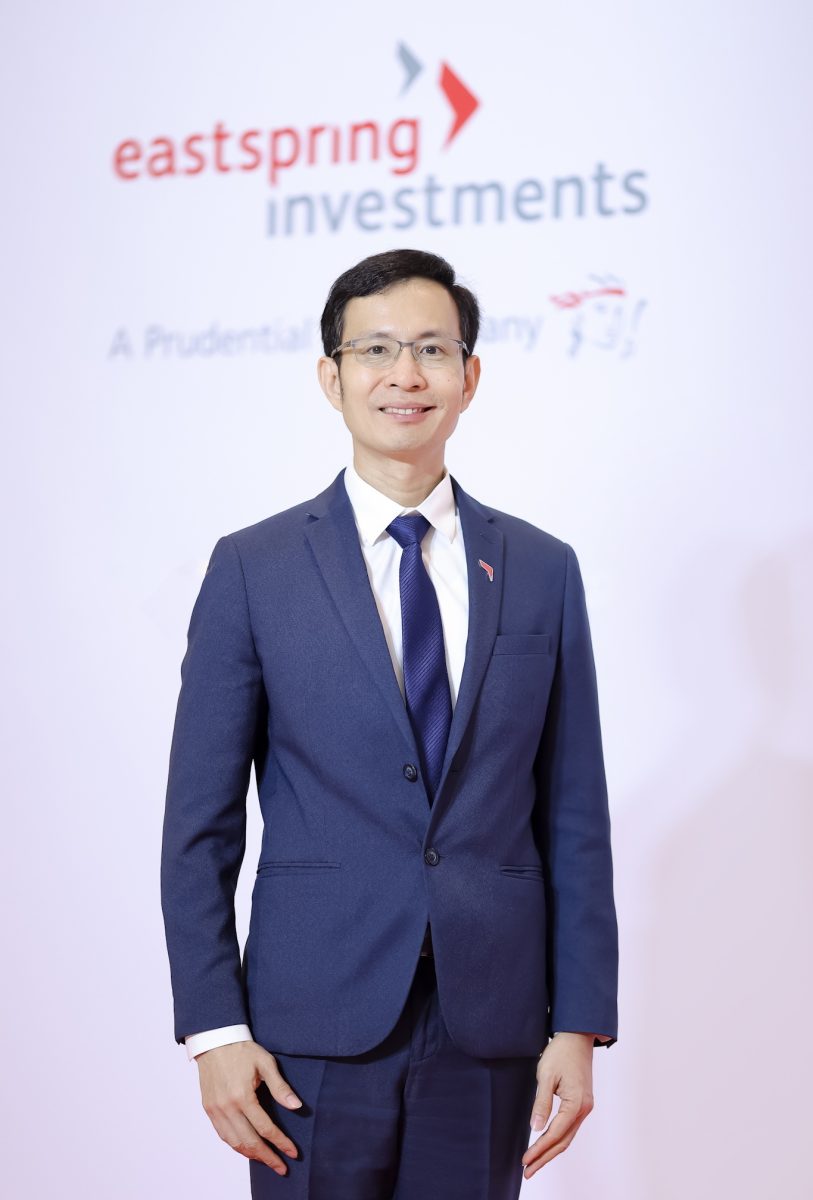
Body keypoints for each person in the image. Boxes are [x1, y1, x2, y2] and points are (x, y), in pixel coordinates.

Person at [160, 248, 619, 1200]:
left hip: (490, 1027)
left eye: (430, 350)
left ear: (469, 376)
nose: (404, 374)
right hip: (307, 1030)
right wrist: (214, 1029)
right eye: (374, 349)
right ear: (331, 378)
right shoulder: (253, 568)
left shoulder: (541, 569)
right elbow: (199, 824)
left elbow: (574, 815)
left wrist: (577, 1020)